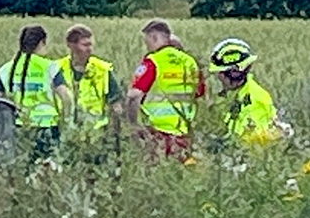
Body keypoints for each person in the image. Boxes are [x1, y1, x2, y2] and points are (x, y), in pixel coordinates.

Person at [126, 19, 203, 159]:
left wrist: (134, 125)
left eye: (147, 41)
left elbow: (134, 96)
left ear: (154, 37)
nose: (146, 45)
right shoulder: (190, 62)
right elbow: (200, 93)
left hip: (157, 133)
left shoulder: (152, 61)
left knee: (155, 173)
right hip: (184, 132)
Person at [0, 24, 69, 153]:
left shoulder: (6, 69)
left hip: (18, 127)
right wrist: (68, 120)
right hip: (47, 126)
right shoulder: (50, 67)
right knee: (46, 168)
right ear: (42, 42)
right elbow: (66, 96)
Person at [208, 38, 289, 145]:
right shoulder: (231, 94)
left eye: (223, 72)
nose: (219, 77)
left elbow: (257, 140)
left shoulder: (256, 99)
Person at [54, 24, 122, 130]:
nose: (90, 49)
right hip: (62, 131)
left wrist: (115, 131)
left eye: (91, 45)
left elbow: (115, 103)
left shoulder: (103, 69)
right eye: (85, 45)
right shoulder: (56, 68)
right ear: (70, 45)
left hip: (95, 134)